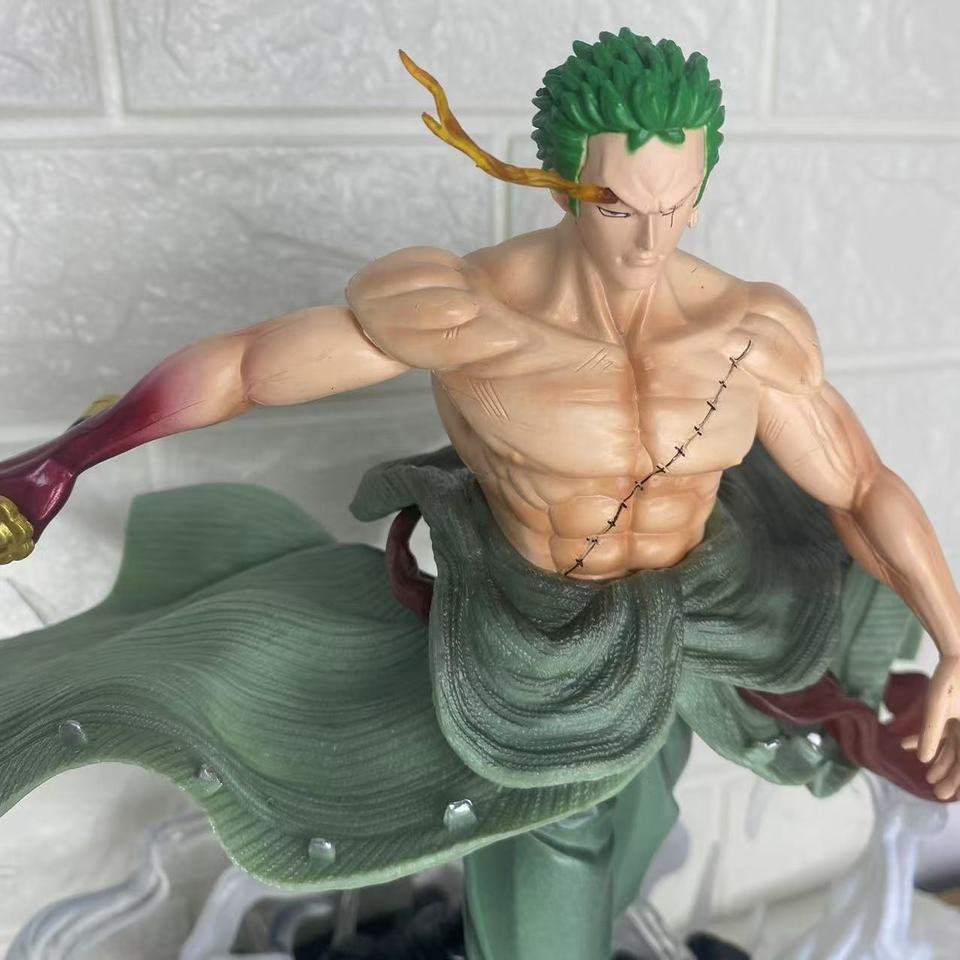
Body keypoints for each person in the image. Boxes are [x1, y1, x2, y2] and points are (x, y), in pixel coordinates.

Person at [1, 29, 958, 960]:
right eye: (617, 206)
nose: (648, 241)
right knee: (559, 834)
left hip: (695, 617)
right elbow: (253, 367)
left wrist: (953, 636)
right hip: (531, 632)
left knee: (643, 815)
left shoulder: (753, 328)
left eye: (677, 204)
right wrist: (68, 458)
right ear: (560, 181)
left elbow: (860, 485)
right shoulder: (469, 310)